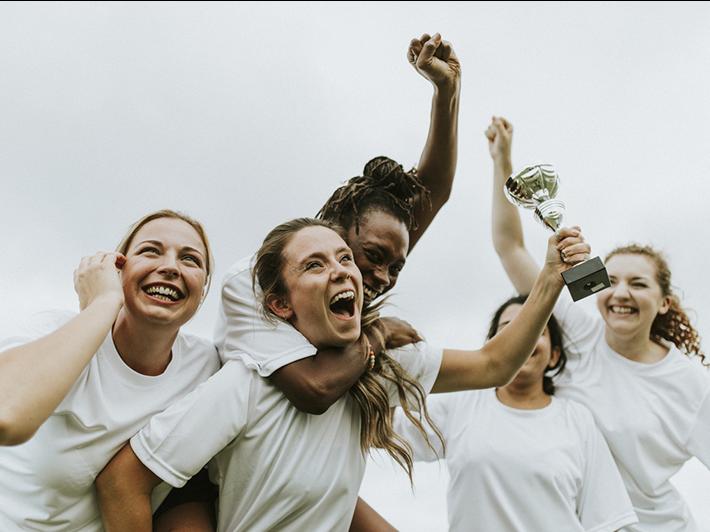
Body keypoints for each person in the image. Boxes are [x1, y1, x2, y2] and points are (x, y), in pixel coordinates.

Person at [96, 216, 588, 531]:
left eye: (344, 259)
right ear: (280, 304)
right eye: (314, 264)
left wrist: (549, 279)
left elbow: (494, 363)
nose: (341, 271)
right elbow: (122, 481)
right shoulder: (248, 384)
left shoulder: (385, 369)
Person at [215, 32, 461, 415]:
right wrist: (379, 332)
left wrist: (446, 90)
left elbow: (433, 192)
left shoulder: (360, 277)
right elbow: (315, 388)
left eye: (396, 267)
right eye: (372, 257)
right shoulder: (250, 281)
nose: (382, 277)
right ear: (332, 230)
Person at [487, 116, 710, 531]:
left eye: (639, 284)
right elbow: (509, 247)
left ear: (663, 304)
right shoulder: (577, 331)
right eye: (614, 280)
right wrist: (503, 164)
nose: (622, 293)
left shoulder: (690, 385)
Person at [0, 210, 220, 531]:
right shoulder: (51, 330)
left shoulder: (206, 368)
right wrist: (104, 302)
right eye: (151, 251)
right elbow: (7, 415)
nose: (171, 267)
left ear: (202, 291)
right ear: (118, 268)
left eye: (190, 260)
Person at [392, 295, 637, 531]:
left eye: (537, 330)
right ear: (492, 346)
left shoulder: (577, 419)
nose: (523, 338)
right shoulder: (460, 404)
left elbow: (607, 521)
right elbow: (378, 426)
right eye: (509, 329)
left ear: (554, 355)